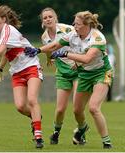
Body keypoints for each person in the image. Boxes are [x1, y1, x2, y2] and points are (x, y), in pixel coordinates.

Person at [25, 11, 113, 149]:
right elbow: (55, 45)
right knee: (77, 110)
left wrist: (67, 54)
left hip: (101, 73)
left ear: (86, 25)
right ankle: (81, 130)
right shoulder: (73, 34)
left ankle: (106, 142)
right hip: (84, 74)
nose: (74, 26)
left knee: (93, 108)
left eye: (77, 24)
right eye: (74, 23)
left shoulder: (97, 38)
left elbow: (87, 59)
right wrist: (38, 50)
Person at [0, 4, 44, 149]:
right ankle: (36, 118)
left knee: (32, 99)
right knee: (20, 106)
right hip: (16, 71)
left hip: (31, 67)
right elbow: (6, 53)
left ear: (4, 19)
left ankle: (38, 136)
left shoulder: (8, 30)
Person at [39, 7, 78, 145]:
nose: (48, 19)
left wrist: (78, 60)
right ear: (42, 21)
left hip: (78, 69)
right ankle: (56, 133)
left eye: (50, 16)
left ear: (55, 18)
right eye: (45, 18)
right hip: (62, 71)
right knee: (60, 108)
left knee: (77, 107)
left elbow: (81, 44)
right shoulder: (44, 37)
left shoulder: (68, 29)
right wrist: (49, 58)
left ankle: (80, 132)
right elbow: (49, 49)